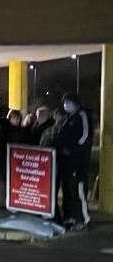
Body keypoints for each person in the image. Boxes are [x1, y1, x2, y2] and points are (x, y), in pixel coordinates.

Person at [56, 92, 92, 230]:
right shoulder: (67, 118)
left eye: (68, 102)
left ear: (75, 103)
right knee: (68, 191)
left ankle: (83, 219)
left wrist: (72, 149)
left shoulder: (82, 116)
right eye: (65, 102)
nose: (66, 105)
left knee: (78, 191)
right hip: (66, 163)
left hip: (78, 162)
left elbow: (85, 136)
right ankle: (70, 217)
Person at [0, 109, 26, 211]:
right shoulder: (5, 130)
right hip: (5, 161)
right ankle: (3, 203)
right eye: (14, 118)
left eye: (18, 118)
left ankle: (8, 203)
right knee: (4, 183)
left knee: (9, 183)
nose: (17, 120)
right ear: (10, 118)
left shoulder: (17, 130)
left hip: (14, 161)